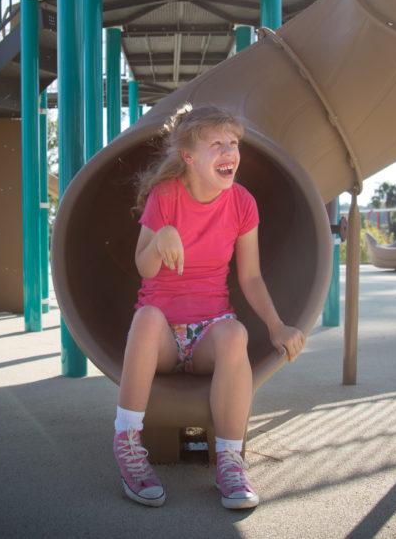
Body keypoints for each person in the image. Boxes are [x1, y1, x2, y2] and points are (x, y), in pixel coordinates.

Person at [113, 104, 306, 510]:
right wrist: (160, 238)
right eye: (215, 143)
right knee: (146, 317)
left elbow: (249, 277)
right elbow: (142, 268)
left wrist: (276, 325)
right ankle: (128, 444)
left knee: (235, 332)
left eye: (233, 143)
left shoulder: (242, 203)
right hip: (163, 334)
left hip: (208, 333)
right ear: (188, 156)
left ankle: (230, 461)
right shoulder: (166, 196)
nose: (228, 151)